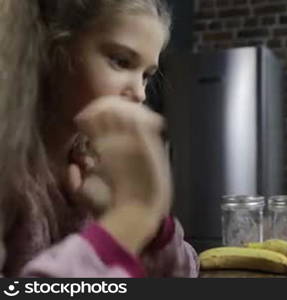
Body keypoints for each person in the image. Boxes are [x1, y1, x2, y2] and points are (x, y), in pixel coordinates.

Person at [0, 0, 199, 277]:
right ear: (52, 49)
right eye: (121, 62)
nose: (140, 94)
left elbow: (186, 274)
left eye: (146, 76)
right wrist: (131, 216)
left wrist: (151, 228)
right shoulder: (9, 173)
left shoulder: (98, 167)